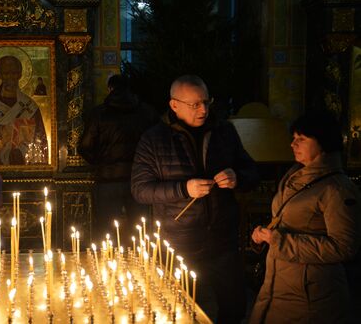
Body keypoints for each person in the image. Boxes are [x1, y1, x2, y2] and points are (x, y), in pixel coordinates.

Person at [131, 74, 259, 323]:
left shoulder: (224, 132)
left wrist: (237, 178)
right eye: (195, 104)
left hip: (222, 239)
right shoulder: (154, 139)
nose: (203, 110)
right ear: (174, 105)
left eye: (206, 102)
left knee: (234, 305)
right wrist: (183, 189)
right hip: (179, 243)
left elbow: (251, 172)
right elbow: (140, 190)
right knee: (178, 310)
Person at [249, 111, 361, 323]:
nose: (293, 144)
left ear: (323, 143)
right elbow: (289, 220)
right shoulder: (294, 177)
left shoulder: (337, 189)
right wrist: (264, 235)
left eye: (301, 139)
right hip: (278, 284)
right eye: (293, 139)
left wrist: (278, 241)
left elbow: (344, 247)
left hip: (312, 296)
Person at [78, 74, 158, 238]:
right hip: (139, 180)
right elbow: (158, 144)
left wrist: (100, 163)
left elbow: (85, 146)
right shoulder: (147, 112)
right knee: (140, 230)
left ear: (110, 89)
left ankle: (107, 262)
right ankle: (138, 261)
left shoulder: (99, 114)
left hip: (108, 181)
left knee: (106, 231)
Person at [0, 55, 48, 165]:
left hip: (26, 169)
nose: (10, 77)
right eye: (6, 73)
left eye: (14, 73)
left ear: (20, 75)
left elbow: (40, 141)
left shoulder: (30, 107)